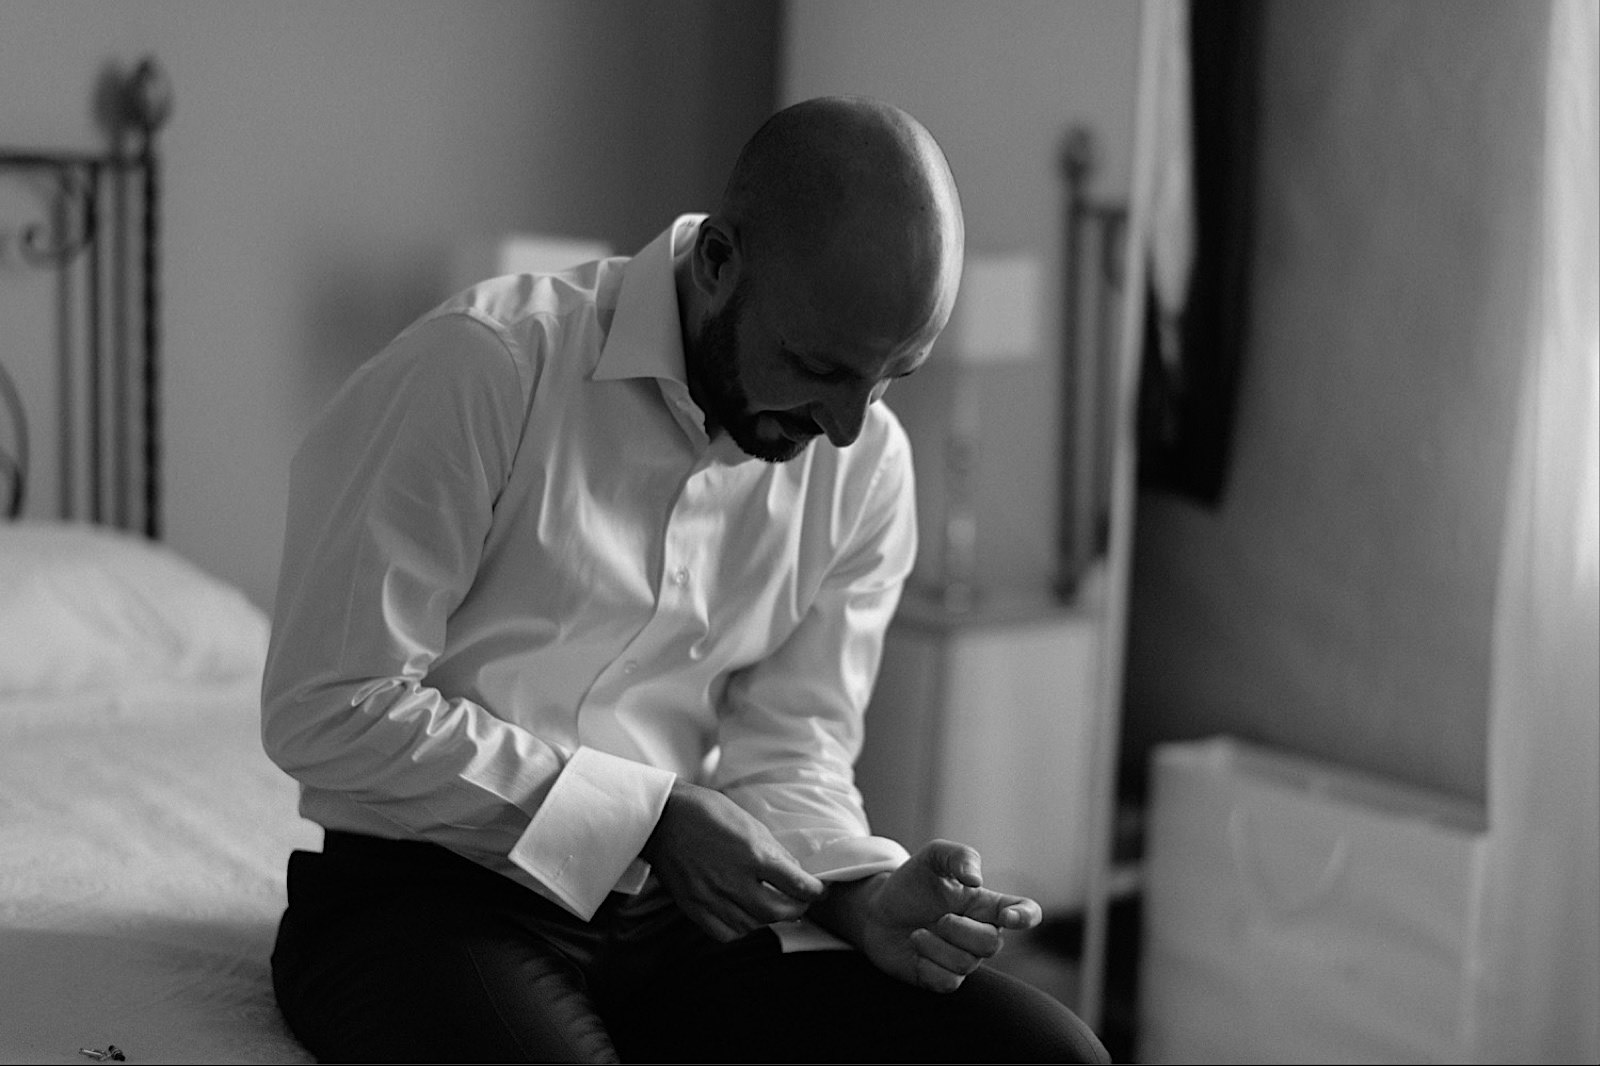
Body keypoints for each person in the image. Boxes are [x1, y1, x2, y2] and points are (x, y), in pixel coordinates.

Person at [261, 95, 1109, 1064]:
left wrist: (857, 894)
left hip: (681, 920)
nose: (845, 426)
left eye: (889, 378)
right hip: (427, 896)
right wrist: (647, 818)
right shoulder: (484, 369)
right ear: (716, 262)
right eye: (819, 366)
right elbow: (329, 705)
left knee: (1050, 1054)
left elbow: (791, 747)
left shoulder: (868, 462)